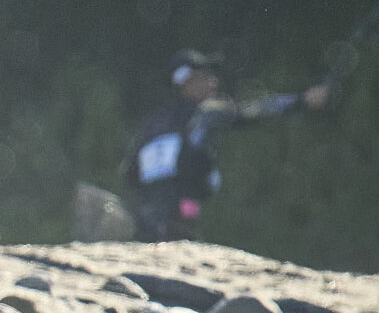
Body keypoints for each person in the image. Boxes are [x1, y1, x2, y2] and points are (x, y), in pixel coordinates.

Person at [123, 51, 328, 241]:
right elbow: (253, 111)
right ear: (184, 80)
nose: (214, 81)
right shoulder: (206, 111)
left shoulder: (151, 125)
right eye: (204, 75)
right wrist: (302, 101)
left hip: (146, 215)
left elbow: (130, 173)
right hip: (184, 211)